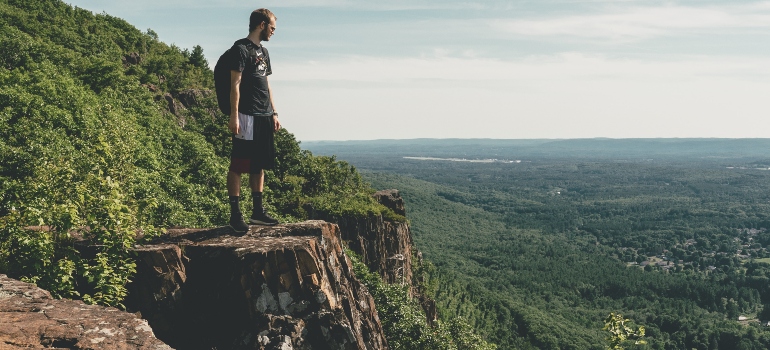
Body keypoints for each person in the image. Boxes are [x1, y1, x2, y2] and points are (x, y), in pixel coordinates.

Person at [226, 8, 280, 232]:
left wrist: (274, 112)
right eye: (272, 28)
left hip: (264, 115)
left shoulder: (264, 52)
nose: (273, 32)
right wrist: (234, 115)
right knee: (239, 165)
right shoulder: (240, 49)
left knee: (259, 165)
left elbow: (266, 85)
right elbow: (235, 85)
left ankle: (257, 212)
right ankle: (235, 215)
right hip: (246, 115)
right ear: (261, 25)